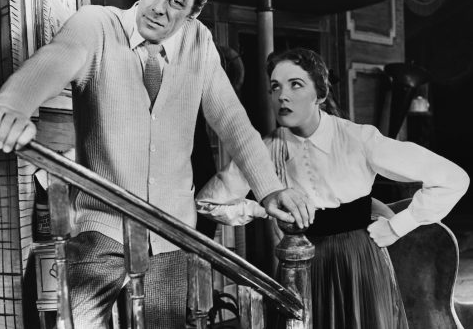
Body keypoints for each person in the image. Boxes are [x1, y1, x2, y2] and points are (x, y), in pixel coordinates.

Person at [0, 0, 311, 329]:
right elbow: (56, 59)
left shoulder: (199, 42)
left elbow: (232, 121)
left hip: (170, 235)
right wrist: (13, 105)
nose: (158, 7)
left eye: (176, 1)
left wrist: (270, 189)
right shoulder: (95, 25)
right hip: (100, 228)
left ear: (193, 12)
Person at [196, 47, 470, 329]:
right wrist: (264, 207)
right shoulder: (265, 149)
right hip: (300, 264)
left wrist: (398, 226)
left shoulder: (359, 139)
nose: (282, 96)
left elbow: (453, 178)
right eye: (275, 87)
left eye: (295, 84)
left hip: (360, 262)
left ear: (320, 94)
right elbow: (207, 203)